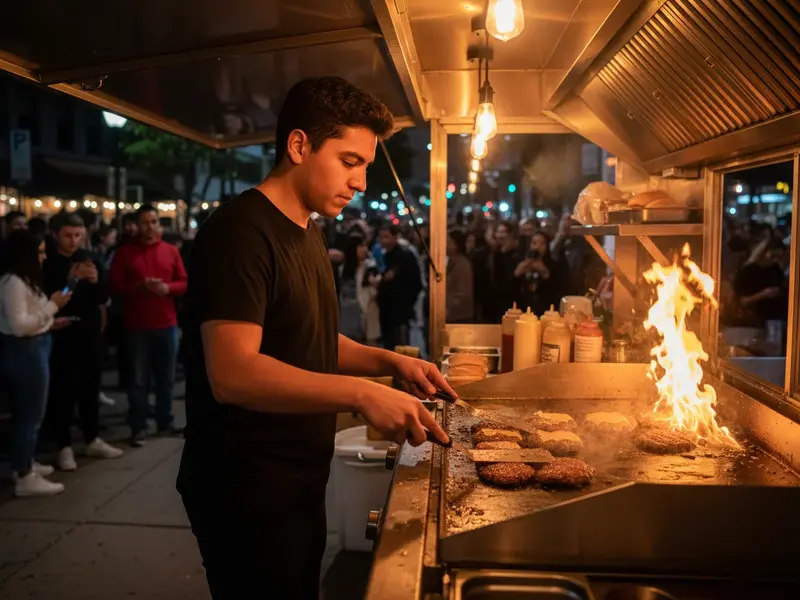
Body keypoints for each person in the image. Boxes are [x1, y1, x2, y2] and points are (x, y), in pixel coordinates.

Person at [176, 76, 453, 600]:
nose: (363, 182)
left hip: (296, 475)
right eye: (351, 161)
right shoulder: (238, 232)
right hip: (245, 486)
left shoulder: (307, 230)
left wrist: (388, 363)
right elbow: (234, 373)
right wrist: (363, 393)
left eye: (367, 166)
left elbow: (312, 338)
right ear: (299, 145)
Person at [42, 212, 123, 471]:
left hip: (89, 334)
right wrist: (72, 281)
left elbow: (102, 298)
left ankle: (92, 437)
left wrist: (96, 280)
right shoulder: (48, 263)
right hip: (61, 336)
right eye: (68, 235)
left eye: (78, 235)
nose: (73, 241)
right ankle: (63, 445)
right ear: (55, 235)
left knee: (91, 387)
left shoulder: (92, 259)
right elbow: (54, 299)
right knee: (63, 392)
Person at [0, 230, 72, 496]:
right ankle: (24, 475)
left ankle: (25, 462)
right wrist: (52, 307)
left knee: (29, 413)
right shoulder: (14, 283)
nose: (43, 257)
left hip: (34, 346)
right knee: (30, 414)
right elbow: (19, 326)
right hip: (25, 352)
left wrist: (50, 320)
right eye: (39, 252)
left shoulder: (22, 281)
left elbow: (31, 318)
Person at [109, 205, 188, 446]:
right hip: (137, 326)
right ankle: (139, 425)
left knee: (166, 378)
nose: (151, 227)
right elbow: (115, 286)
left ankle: (165, 420)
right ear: (137, 225)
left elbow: (183, 282)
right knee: (139, 380)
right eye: (146, 222)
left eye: (154, 222)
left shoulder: (170, 251)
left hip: (167, 323)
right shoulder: (125, 253)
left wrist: (168, 289)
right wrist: (141, 287)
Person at [446, 229, 474, 323]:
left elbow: (464, 293)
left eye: (449, 241)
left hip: (459, 317)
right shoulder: (452, 261)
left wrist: (449, 308)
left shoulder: (462, 264)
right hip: (452, 314)